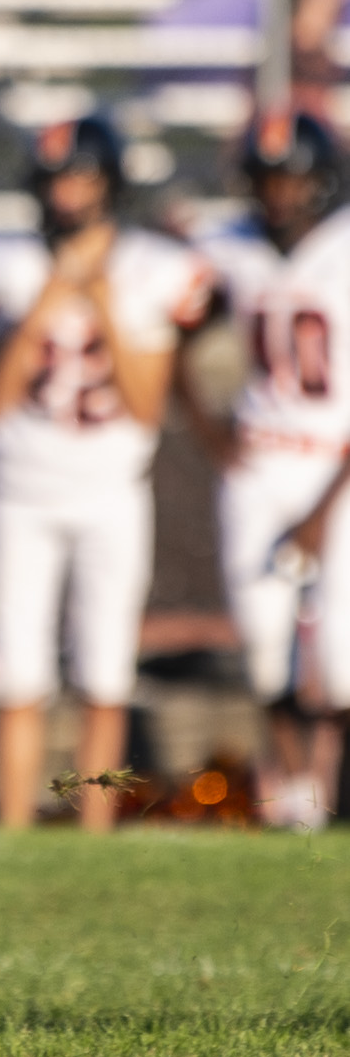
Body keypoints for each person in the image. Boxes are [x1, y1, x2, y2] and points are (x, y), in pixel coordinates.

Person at [0, 117, 209, 832]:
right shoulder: (12, 266)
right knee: (19, 677)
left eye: (79, 178)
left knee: (105, 674)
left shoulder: (152, 267)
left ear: (108, 185)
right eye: (55, 180)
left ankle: (92, 831)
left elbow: (143, 407)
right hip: (18, 492)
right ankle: (15, 826)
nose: (66, 195)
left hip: (109, 493)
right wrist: (46, 301)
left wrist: (99, 297)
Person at [180, 110, 350, 829]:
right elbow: (171, 330)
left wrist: (321, 510)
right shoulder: (230, 249)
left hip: (335, 462)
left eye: (291, 178)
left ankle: (325, 783)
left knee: (339, 655)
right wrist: (207, 428)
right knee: (262, 642)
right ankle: (293, 795)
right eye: (265, 179)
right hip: (258, 463)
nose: (278, 194)